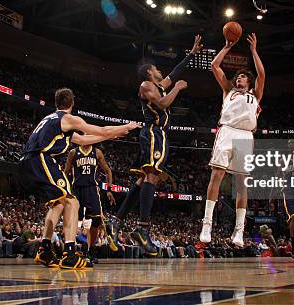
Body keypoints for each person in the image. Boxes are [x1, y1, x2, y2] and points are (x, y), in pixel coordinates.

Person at [19, 87, 139, 269]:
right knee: (72, 202)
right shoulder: (68, 118)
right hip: (41, 159)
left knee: (58, 204)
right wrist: (126, 127)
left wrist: (114, 133)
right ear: (72, 103)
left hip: (26, 163)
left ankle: (44, 250)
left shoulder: (52, 120)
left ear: (56, 102)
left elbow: (83, 140)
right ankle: (69, 253)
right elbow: (101, 130)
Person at [108, 35, 202, 255]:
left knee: (143, 179)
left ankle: (116, 221)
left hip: (158, 135)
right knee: (152, 176)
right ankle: (142, 228)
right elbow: (162, 104)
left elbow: (174, 74)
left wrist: (191, 54)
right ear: (149, 72)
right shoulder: (146, 85)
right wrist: (177, 88)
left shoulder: (158, 85)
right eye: (157, 68)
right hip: (153, 133)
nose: (161, 71)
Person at [200, 33, 265, 247]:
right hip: (226, 131)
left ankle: (239, 231)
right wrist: (227, 46)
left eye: (243, 77)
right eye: (237, 77)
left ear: (249, 81)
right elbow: (215, 66)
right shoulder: (228, 91)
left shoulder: (255, 94)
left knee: (241, 184)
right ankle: (207, 224)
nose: (239, 79)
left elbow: (262, 74)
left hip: (245, 135)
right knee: (217, 174)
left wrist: (254, 51)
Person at [65, 143, 116, 263]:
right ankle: (70, 250)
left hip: (92, 189)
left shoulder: (97, 152)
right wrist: (65, 189)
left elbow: (108, 171)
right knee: (74, 220)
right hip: (76, 189)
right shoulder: (73, 152)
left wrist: (109, 190)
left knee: (97, 220)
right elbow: (66, 172)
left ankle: (90, 249)